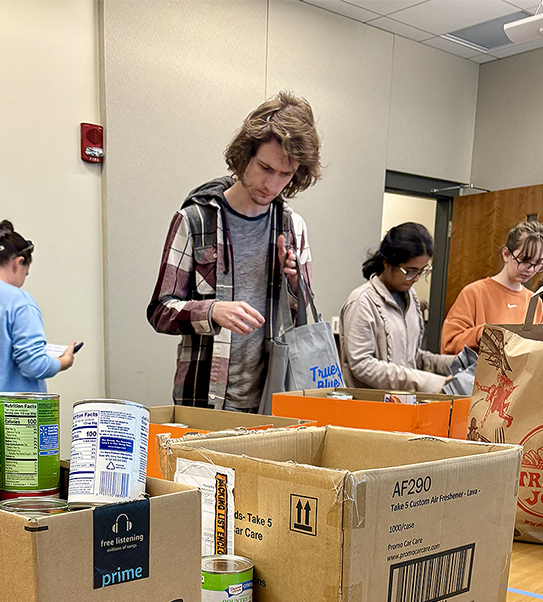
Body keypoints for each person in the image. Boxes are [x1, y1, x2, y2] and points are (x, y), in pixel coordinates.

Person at [147, 91, 322, 412]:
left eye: (285, 174)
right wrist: (211, 311)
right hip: (204, 399)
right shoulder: (195, 220)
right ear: (245, 156)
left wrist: (294, 284)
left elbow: (302, 320)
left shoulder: (293, 227)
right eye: (264, 168)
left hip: (273, 396)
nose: (271, 184)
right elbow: (159, 311)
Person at [0, 221, 76, 396]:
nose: (23, 280)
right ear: (19, 263)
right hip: (14, 419)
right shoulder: (18, 301)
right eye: (25, 274)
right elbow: (34, 365)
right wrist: (64, 361)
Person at [339, 223, 453, 393]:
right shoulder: (362, 302)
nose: (415, 279)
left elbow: (412, 358)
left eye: (422, 271)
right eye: (410, 271)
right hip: (371, 408)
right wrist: (430, 383)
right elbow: (362, 365)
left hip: (404, 404)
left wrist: (457, 364)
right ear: (386, 263)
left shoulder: (411, 298)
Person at [441, 220, 543, 354]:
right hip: (477, 373)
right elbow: (449, 343)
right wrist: (483, 333)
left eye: (538, 263)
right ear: (506, 254)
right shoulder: (474, 293)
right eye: (524, 261)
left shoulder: (535, 302)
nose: (530, 270)